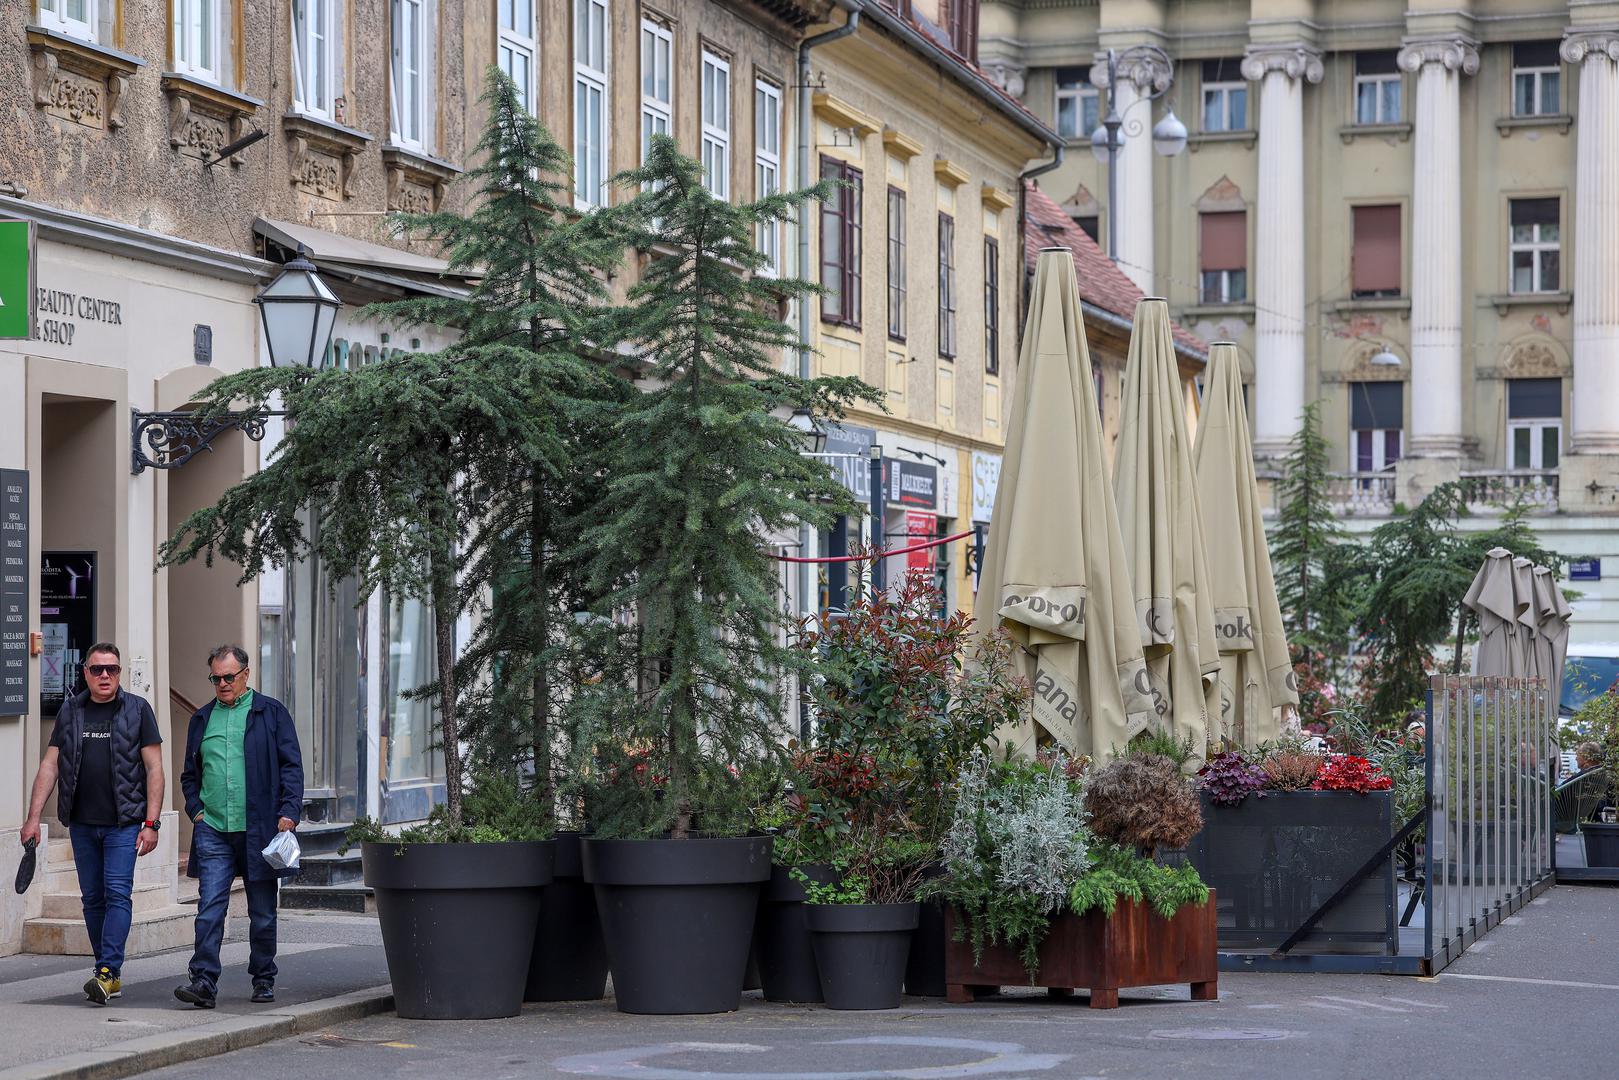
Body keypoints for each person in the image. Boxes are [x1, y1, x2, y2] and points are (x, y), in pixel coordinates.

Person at [19, 644, 164, 1006]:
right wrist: (33, 818)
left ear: (120, 673)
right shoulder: (70, 711)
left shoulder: (138, 710)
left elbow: (154, 769)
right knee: (92, 899)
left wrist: (152, 822)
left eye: (111, 670)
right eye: (97, 669)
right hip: (82, 823)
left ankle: (108, 970)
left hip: (124, 824)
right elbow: (50, 765)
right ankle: (107, 972)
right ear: (84, 672)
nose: (104, 676)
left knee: (117, 893)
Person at [174, 645, 303, 1009]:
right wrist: (196, 809)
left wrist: (289, 810)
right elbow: (190, 773)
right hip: (213, 827)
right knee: (209, 908)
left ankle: (263, 977)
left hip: (261, 828)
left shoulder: (271, 713)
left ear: (246, 675)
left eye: (229, 677)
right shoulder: (202, 718)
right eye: (216, 678)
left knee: (261, 912)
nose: (222, 684)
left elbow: (292, 766)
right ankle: (203, 980)